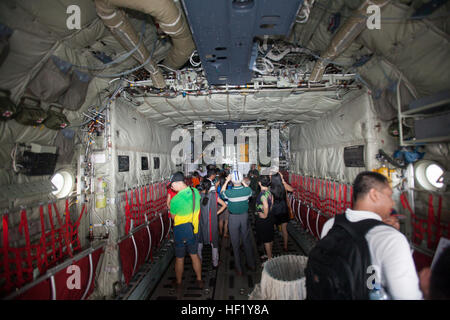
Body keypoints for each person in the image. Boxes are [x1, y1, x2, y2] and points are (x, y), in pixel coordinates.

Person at [320, 171, 423, 300]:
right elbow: (406, 296)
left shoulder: (331, 225)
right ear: (374, 195)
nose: (392, 203)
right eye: (389, 196)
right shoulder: (391, 239)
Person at [168, 171, 203, 289]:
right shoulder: (195, 192)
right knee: (194, 255)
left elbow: (173, 217)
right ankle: (199, 279)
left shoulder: (175, 200)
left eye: (172, 185)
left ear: (178, 183)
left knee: (179, 257)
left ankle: (178, 282)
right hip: (194, 230)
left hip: (181, 231)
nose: (171, 188)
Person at [221, 171, 256, 276]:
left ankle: (239, 268)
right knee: (246, 240)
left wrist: (227, 181)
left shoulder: (229, 193)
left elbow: (222, 193)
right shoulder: (247, 191)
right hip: (244, 217)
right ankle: (251, 264)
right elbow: (251, 191)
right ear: (241, 180)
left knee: (235, 243)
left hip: (233, 218)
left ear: (232, 181)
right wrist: (243, 182)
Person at [197, 179, 227, 269]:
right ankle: (215, 263)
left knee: (199, 242)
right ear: (210, 187)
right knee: (214, 243)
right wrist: (216, 213)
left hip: (201, 222)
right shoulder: (214, 195)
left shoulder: (198, 196)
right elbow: (224, 205)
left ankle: (199, 261)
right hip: (212, 223)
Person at [269, 172, 294, 252]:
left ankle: (271, 247)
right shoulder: (283, 186)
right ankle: (285, 246)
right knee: (284, 229)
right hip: (283, 209)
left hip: (274, 210)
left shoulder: (270, 188)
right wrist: (283, 181)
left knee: (272, 230)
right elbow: (292, 189)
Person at [255, 175, 274, 261]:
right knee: (270, 237)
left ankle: (269, 259)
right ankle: (269, 254)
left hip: (264, 218)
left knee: (266, 239)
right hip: (270, 217)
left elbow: (266, 206)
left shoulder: (262, 194)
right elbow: (271, 203)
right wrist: (268, 212)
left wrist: (264, 215)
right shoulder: (269, 192)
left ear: (259, 183)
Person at [217, 173, 231, 238]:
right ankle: (225, 233)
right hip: (227, 205)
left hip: (220, 205)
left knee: (220, 220)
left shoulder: (218, 188)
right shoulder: (230, 187)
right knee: (226, 221)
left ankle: (220, 232)